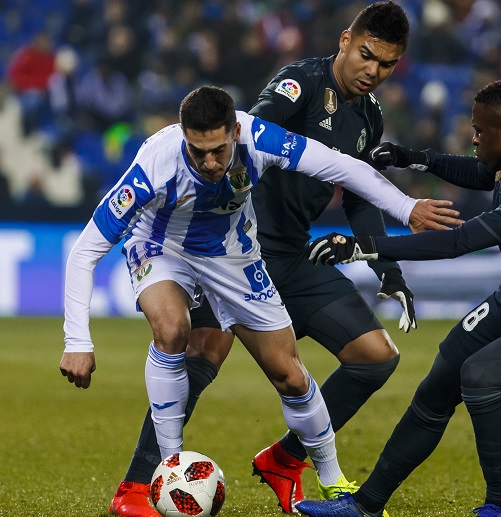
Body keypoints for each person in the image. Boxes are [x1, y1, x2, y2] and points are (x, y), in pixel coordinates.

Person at [105, 4, 448, 517]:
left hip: (294, 253)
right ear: (346, 39)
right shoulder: (299, 84)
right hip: (236, 252)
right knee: (199, 353)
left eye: (387, 64)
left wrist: (387, 268)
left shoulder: (369, 117)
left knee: (375, 357)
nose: (372, 71)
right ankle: (135, 486)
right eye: (366, 55)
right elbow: (250, 137)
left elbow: (356, 195)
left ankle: (285, 458)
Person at [296, 78, 501, 517]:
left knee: (480, 377)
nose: (473, 138)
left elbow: (457, 242)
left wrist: (364, 246)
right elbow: (483, 171)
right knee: (440, 380)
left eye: (479, 132)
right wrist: (416, 159)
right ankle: (366, 506)